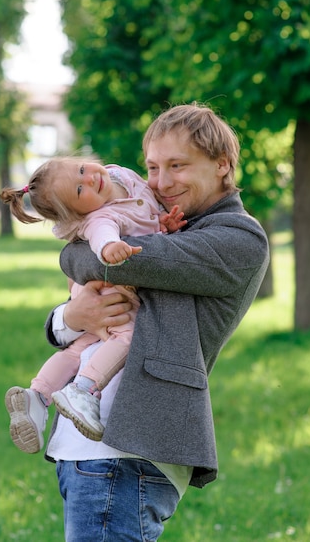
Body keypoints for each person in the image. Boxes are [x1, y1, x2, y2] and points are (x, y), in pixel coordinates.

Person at [43, 103, 270, 542]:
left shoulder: (238, 238)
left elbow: (106, 258)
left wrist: (77, 249)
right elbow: (91, 271)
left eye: (177, 166)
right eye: (151, 167)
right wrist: (69, 317)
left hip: (128, 448)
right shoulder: (161, 224)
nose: (161, 183)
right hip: (86, 447)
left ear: (222, 164)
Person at [0, 158, 186, 452]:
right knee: (126, 337)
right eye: (78, 190)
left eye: (82, 170)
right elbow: (102, 237)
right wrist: (111, 249)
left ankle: (36, 395)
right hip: (109, 293)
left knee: (77, 349)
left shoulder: (118, 174)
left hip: (88, 295)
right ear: (77, 214)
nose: (90, 180)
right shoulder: (100, 219)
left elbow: (144, 218)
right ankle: (84, 389)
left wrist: (163, 225)